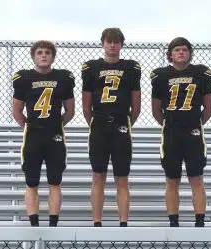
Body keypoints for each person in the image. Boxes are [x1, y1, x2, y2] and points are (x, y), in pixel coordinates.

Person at [150, 37, 211, 227]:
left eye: (185, 50)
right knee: (172, 179)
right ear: (170, 54)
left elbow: (209, 106)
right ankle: (173, 223)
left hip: (193, 132)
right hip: (171, 133)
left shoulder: (200, 73)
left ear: (190, 53)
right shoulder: (160, 76)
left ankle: (200, 222)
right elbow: (156, 109)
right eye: (177, 50)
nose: (181, 53)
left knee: (196, 178)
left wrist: (195, 123)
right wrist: (171, 124)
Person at [81, 28, 141, 227]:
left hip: (121, 124)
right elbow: (86, 104)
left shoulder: (130, 67)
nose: (113, 45)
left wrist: (125, 122)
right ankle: (96, 222)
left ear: (121, 44)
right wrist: (96, 122)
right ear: (103, 43)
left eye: (116, 42)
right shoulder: (92, 67)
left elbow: (136, 104)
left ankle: (123, 222)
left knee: (121, 177)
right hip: (99, 124)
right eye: (109, 41)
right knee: (98, 176)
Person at [12, 40, 75, 227]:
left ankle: (53, 225)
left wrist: (55, 125)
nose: (44, 55)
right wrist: (30, 127)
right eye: (39, 52)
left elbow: (70, 111)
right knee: (31, 182)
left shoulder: (63, 78)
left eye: (47, 52)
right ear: (34, 56)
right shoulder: (24, 78)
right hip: (33, 135)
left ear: (52, 56)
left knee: (55, 181)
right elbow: (16, 111)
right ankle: (34, 226)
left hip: (54, 134)